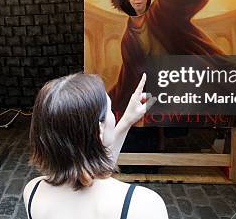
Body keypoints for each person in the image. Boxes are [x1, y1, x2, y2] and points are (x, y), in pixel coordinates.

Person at [24, 73, 168, 219]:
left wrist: (126, 121)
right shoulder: (142, 205)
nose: (113, 115)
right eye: (110, 110)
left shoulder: (33, 193)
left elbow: (90, 166)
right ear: (99, 130)